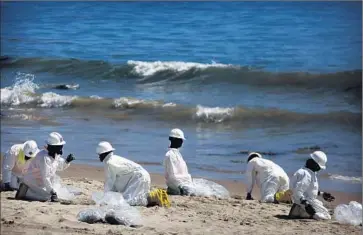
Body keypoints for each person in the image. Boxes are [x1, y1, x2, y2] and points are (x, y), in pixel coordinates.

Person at [97, 141, 170, 207]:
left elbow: (110, 181)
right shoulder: (113, 159)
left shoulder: (109, 163)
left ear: (103, 153)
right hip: (141, 177)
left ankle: (158, 194)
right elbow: (115, 181)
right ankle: (154, 196)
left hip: (139, 178)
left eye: (99, 154)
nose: (99, 156)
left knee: (130, 202)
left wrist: (105, 198)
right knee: (136, 199)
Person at [15, 132, 75, 202]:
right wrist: (52, 192)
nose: (61, 148)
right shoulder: (43, 157)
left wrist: (66, 162)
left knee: (56, 190)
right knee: (48, 197)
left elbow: (58, 167)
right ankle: (25, 191)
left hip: (42, 181)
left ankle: (31, 190)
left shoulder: (54, 154)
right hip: (33, 180)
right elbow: (45, 177)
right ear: (53, 147)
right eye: (59, 146)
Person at [289, 151, 335, 220]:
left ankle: (298, 210)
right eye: (319, 167)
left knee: (320, 204)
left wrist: (322, 194)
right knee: (327, 217)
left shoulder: (307, 172)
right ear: (314, 164)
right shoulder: (306, 175)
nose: (319, 169)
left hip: (303, 202)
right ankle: (301, 212)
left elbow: (308, 190)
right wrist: (308, 207)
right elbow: (297, 192)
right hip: (303, 204)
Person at [163, 128, 194, 196]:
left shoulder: (177, 154)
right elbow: (173, 176)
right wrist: (184, 183)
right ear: (174, 140)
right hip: (176, 186)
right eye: (180, 140)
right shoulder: (170, 155)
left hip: (182, 183)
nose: (182, 142)